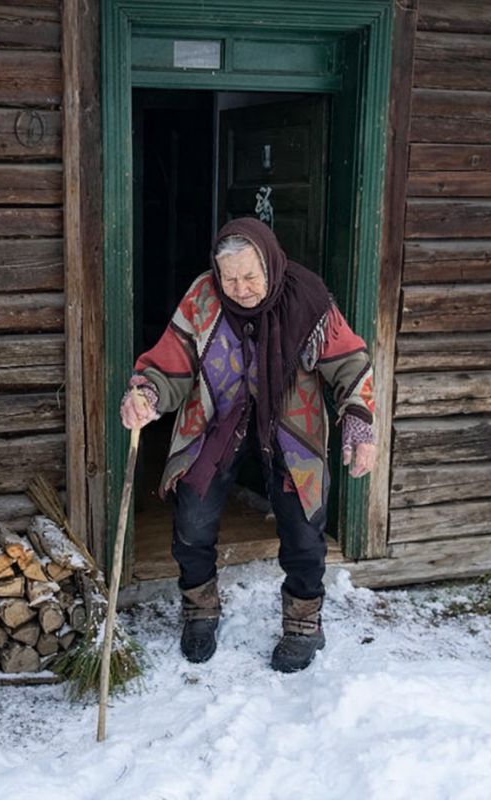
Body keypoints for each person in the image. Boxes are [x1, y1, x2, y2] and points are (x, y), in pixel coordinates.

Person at [120, 217, 376, 673]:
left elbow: (349, 362)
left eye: (250, 277)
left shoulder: (308, 298)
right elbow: (171, 360)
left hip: (292, 425)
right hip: (216, 419)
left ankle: (304, 622)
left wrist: (359, 421)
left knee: (303, 526)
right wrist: (147, 394)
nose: (240, 289)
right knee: (193, 517)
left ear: (270, 264)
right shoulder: (203, 297)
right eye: (230, 278)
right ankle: (200, 609)